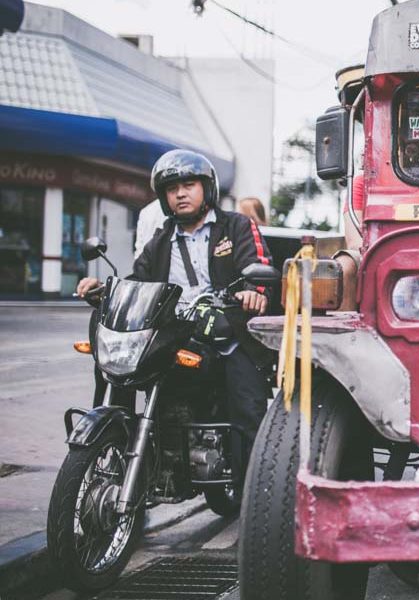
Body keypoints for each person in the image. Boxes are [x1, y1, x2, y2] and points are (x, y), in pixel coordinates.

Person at [76, 149, 274, 484]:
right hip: (177, 331)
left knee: (248, 409)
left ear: (205, 188)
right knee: (115, 352)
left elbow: (259, 266)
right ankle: (116, 435)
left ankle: (255, 496)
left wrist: (255, 290)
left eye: (188, 184)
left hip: (227, 333)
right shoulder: (161, 239)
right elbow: (138, 282)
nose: (180, 193)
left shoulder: (236, 226)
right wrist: (104, 293)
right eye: (172, 188)